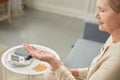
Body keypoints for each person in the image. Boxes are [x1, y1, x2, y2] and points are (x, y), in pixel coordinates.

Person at [23, 0, 120, 79]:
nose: (96, 15)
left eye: (102, 10)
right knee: (50, 74)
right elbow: (97, 69)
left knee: (52, 73)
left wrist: (54, 62)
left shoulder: (117, 60)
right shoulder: (114, 37)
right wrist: (73, 72)